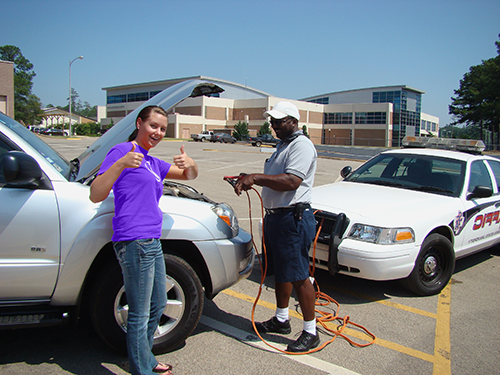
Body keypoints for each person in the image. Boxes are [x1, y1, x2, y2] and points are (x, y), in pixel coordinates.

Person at [90, 105, 198, 375]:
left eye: (162, 128)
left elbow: (188, 175)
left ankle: (144, 359)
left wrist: (191, 165)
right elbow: (96, 193)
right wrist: (121, 164)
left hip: (151, 240)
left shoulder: (152, 163)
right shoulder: (123, 151)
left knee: (158, 304)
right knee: (139, 312)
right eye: (153, 126)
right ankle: (141, 369)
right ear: (139, 124)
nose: (158, 132)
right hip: (133, 240)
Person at [234, 101, 319, 352]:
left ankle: (311, 331)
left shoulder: (302, 146)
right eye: (272, 121)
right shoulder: (283, 146)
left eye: (278, 122)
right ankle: (282, 320)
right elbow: (275, 179)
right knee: (282, 272)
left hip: (293, 219)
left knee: (299, 275)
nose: (273, 126)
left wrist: (256, 178)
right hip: (277, 218)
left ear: (293, 121)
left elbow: (292, 181)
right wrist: (247, 178)